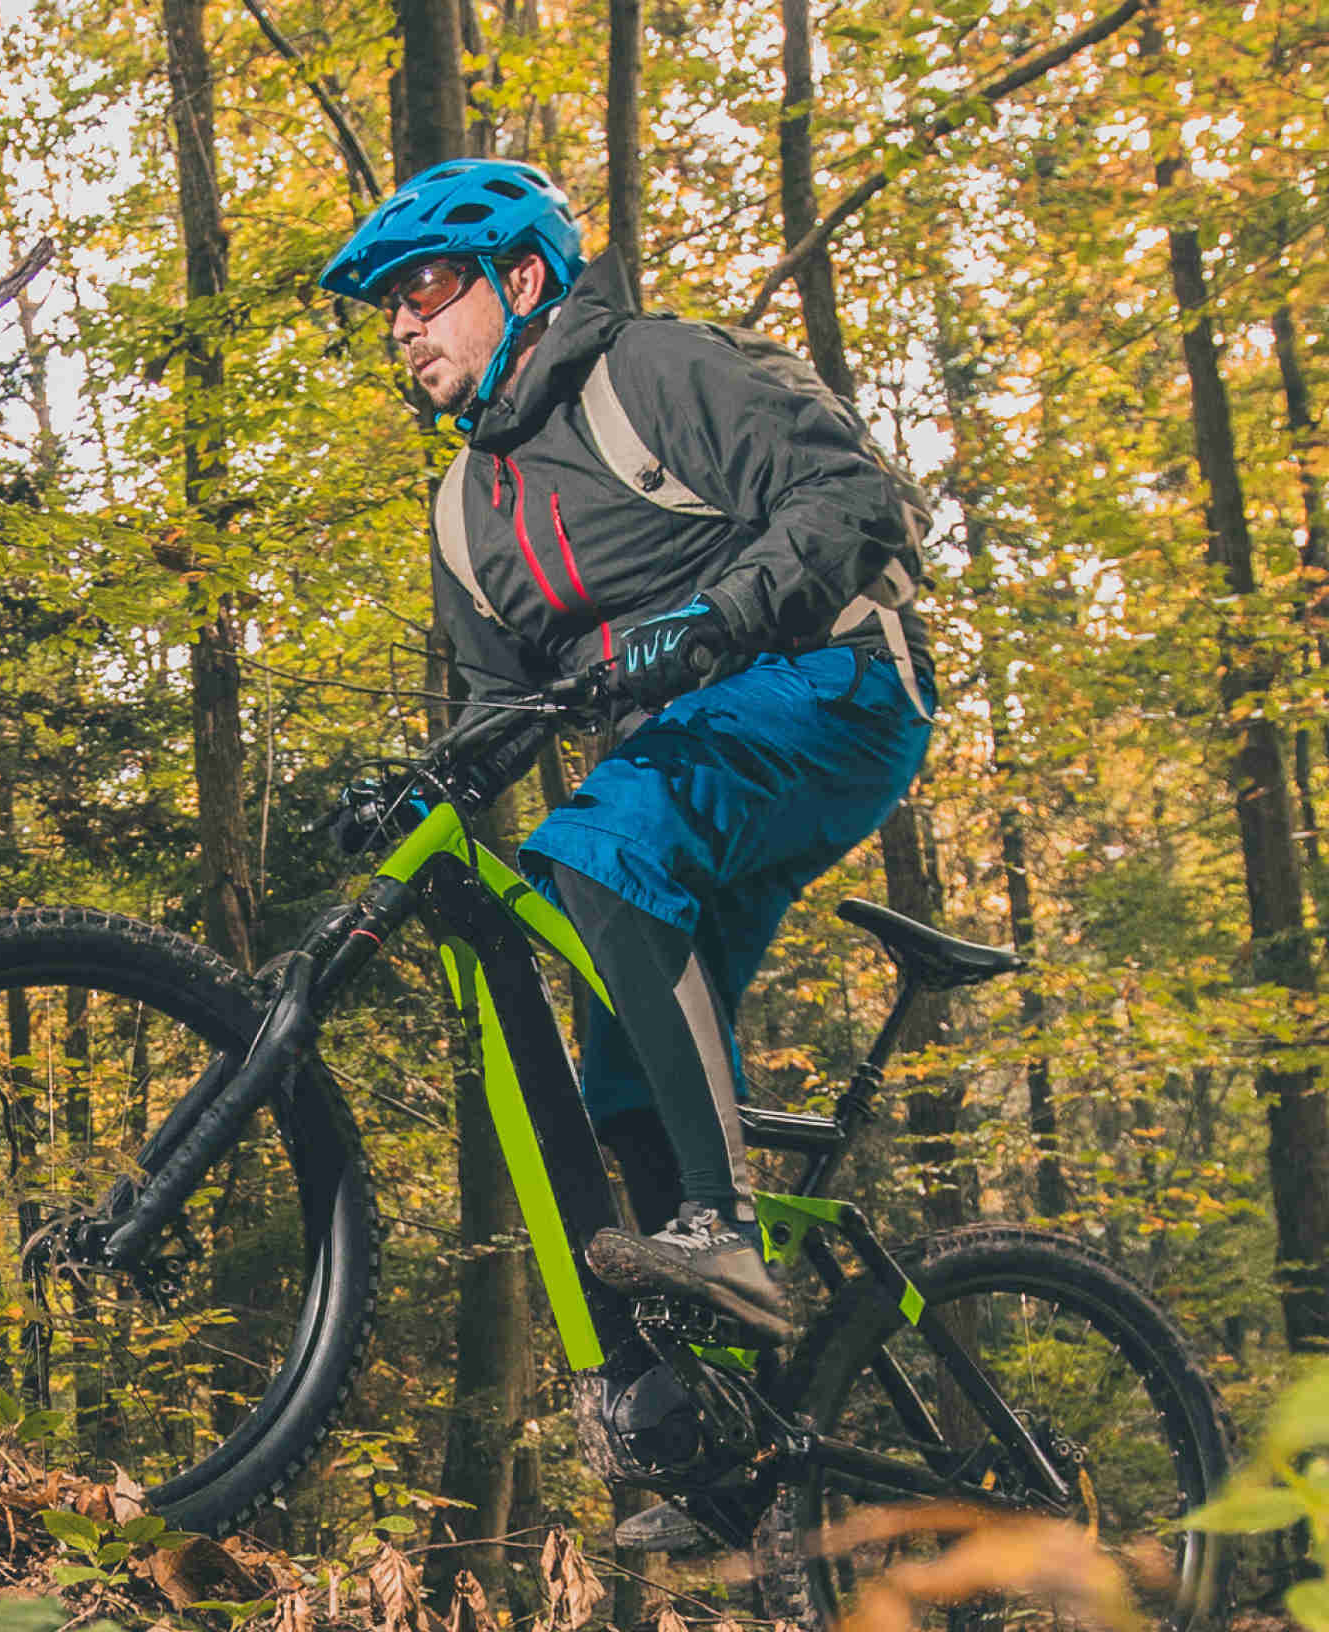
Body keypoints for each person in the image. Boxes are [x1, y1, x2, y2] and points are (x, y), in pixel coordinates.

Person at [317, 159, 938, 1539]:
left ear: (522, 277)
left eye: (426, 288)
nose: (402, 325)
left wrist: (713, 617)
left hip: (835, 688)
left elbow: (853, 500)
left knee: (594, 847)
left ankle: (723, 1228)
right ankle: (736, 1462)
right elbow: (496, 716)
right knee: (618, 1071)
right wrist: (416, 791)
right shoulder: (463, 513)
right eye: (388, 308)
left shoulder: (651, 372)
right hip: (682, 765)